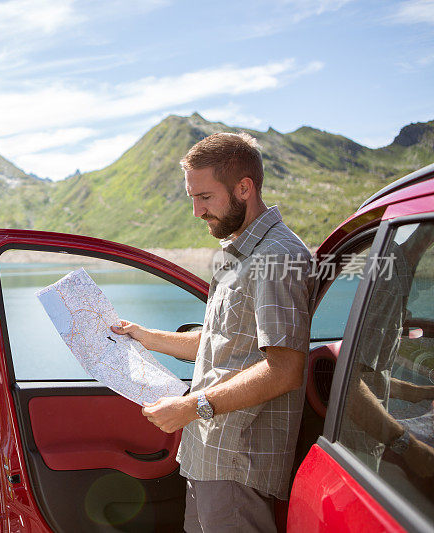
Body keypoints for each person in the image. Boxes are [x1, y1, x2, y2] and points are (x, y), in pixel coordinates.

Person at [111, 132, 313, 532]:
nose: (196, 211)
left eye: (204, 197)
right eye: (192, 197)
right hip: (211, 454)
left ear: (244, 188)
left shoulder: (276, 257)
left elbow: (284, 369)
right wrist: (146, 336)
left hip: (239, 463)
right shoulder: (239, 251)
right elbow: (223, 341)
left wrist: (189, 408)